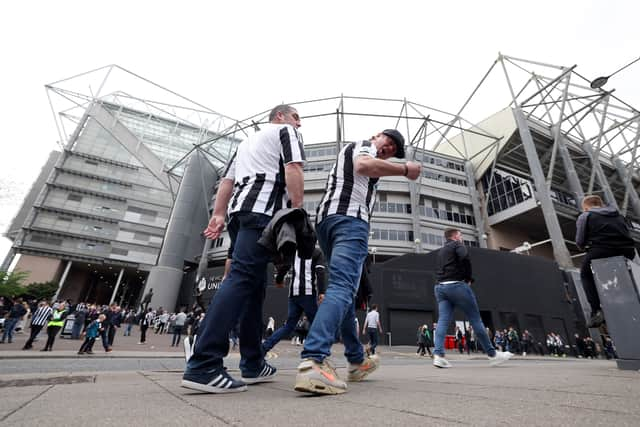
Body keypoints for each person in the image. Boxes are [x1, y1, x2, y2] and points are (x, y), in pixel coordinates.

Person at [181, 104, 305, 394]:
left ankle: (252, 362)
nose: (299, 123)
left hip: (239, 214)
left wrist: (219, 213)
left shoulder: (246, 143)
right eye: (296, 117)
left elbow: (227, 181)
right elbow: (294, 168)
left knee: (253, 287)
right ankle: (204, 364)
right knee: (241, 279)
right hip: (264, 215)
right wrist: (297, 211)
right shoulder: (286, 132)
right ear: (280, 117)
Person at [294, 129, 421, 395]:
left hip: (328, 222)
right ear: (377, 136)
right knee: (342, 287)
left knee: (346, 294)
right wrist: (405, 169)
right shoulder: (365, 146)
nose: (390, 149)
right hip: (350, 221)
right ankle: (314, 360)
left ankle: (355, 360)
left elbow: (366, 170)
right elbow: (364, 165)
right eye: (389, 142)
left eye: (395, 150)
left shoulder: (359, 156)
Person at [432, 228, 513, 368]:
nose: (462, 238)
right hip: (457, 286)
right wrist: (468, 278)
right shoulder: (458, 245)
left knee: (442, 321)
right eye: (461, 235)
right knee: (475, 319)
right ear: (456, 236)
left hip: (440, 288)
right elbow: (464, 257)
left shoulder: (441, 251)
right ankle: (492, 355)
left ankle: (438, 355)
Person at [575, 194, 636, 328]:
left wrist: (584, 246)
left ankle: (596, 310)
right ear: (600, 204)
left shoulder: (585, 216)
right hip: (627, 251)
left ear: (586, 207)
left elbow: (579, 241)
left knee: (585, 274)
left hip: (602, 250)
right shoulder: (618, 215)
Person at [261, 247, 326, 355]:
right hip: (308, 293)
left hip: (294, 294)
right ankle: (316, 353)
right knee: (316, 325)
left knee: (288, 326)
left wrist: (279, 280)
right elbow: (320, 272)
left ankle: (264, 348)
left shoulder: (294, 251)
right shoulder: (317, 252)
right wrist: (322, 292)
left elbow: (285, 266)